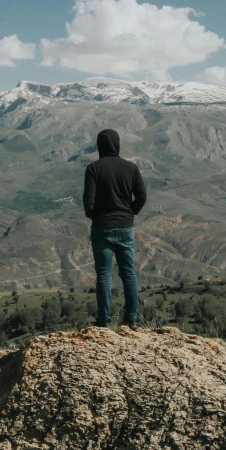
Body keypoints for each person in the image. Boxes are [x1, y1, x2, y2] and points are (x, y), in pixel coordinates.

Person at [83, 128, 147, 328]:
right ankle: (132, 319)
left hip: (102, 228)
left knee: (103, 274)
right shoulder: (131, 168)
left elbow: (88, 201)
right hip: (125, 226)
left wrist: (96, 217)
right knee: (128, 273)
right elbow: (142, 196)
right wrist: (130, 213)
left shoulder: (93, 168)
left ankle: (103, 321)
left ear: (99, 146)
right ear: (117, 144)